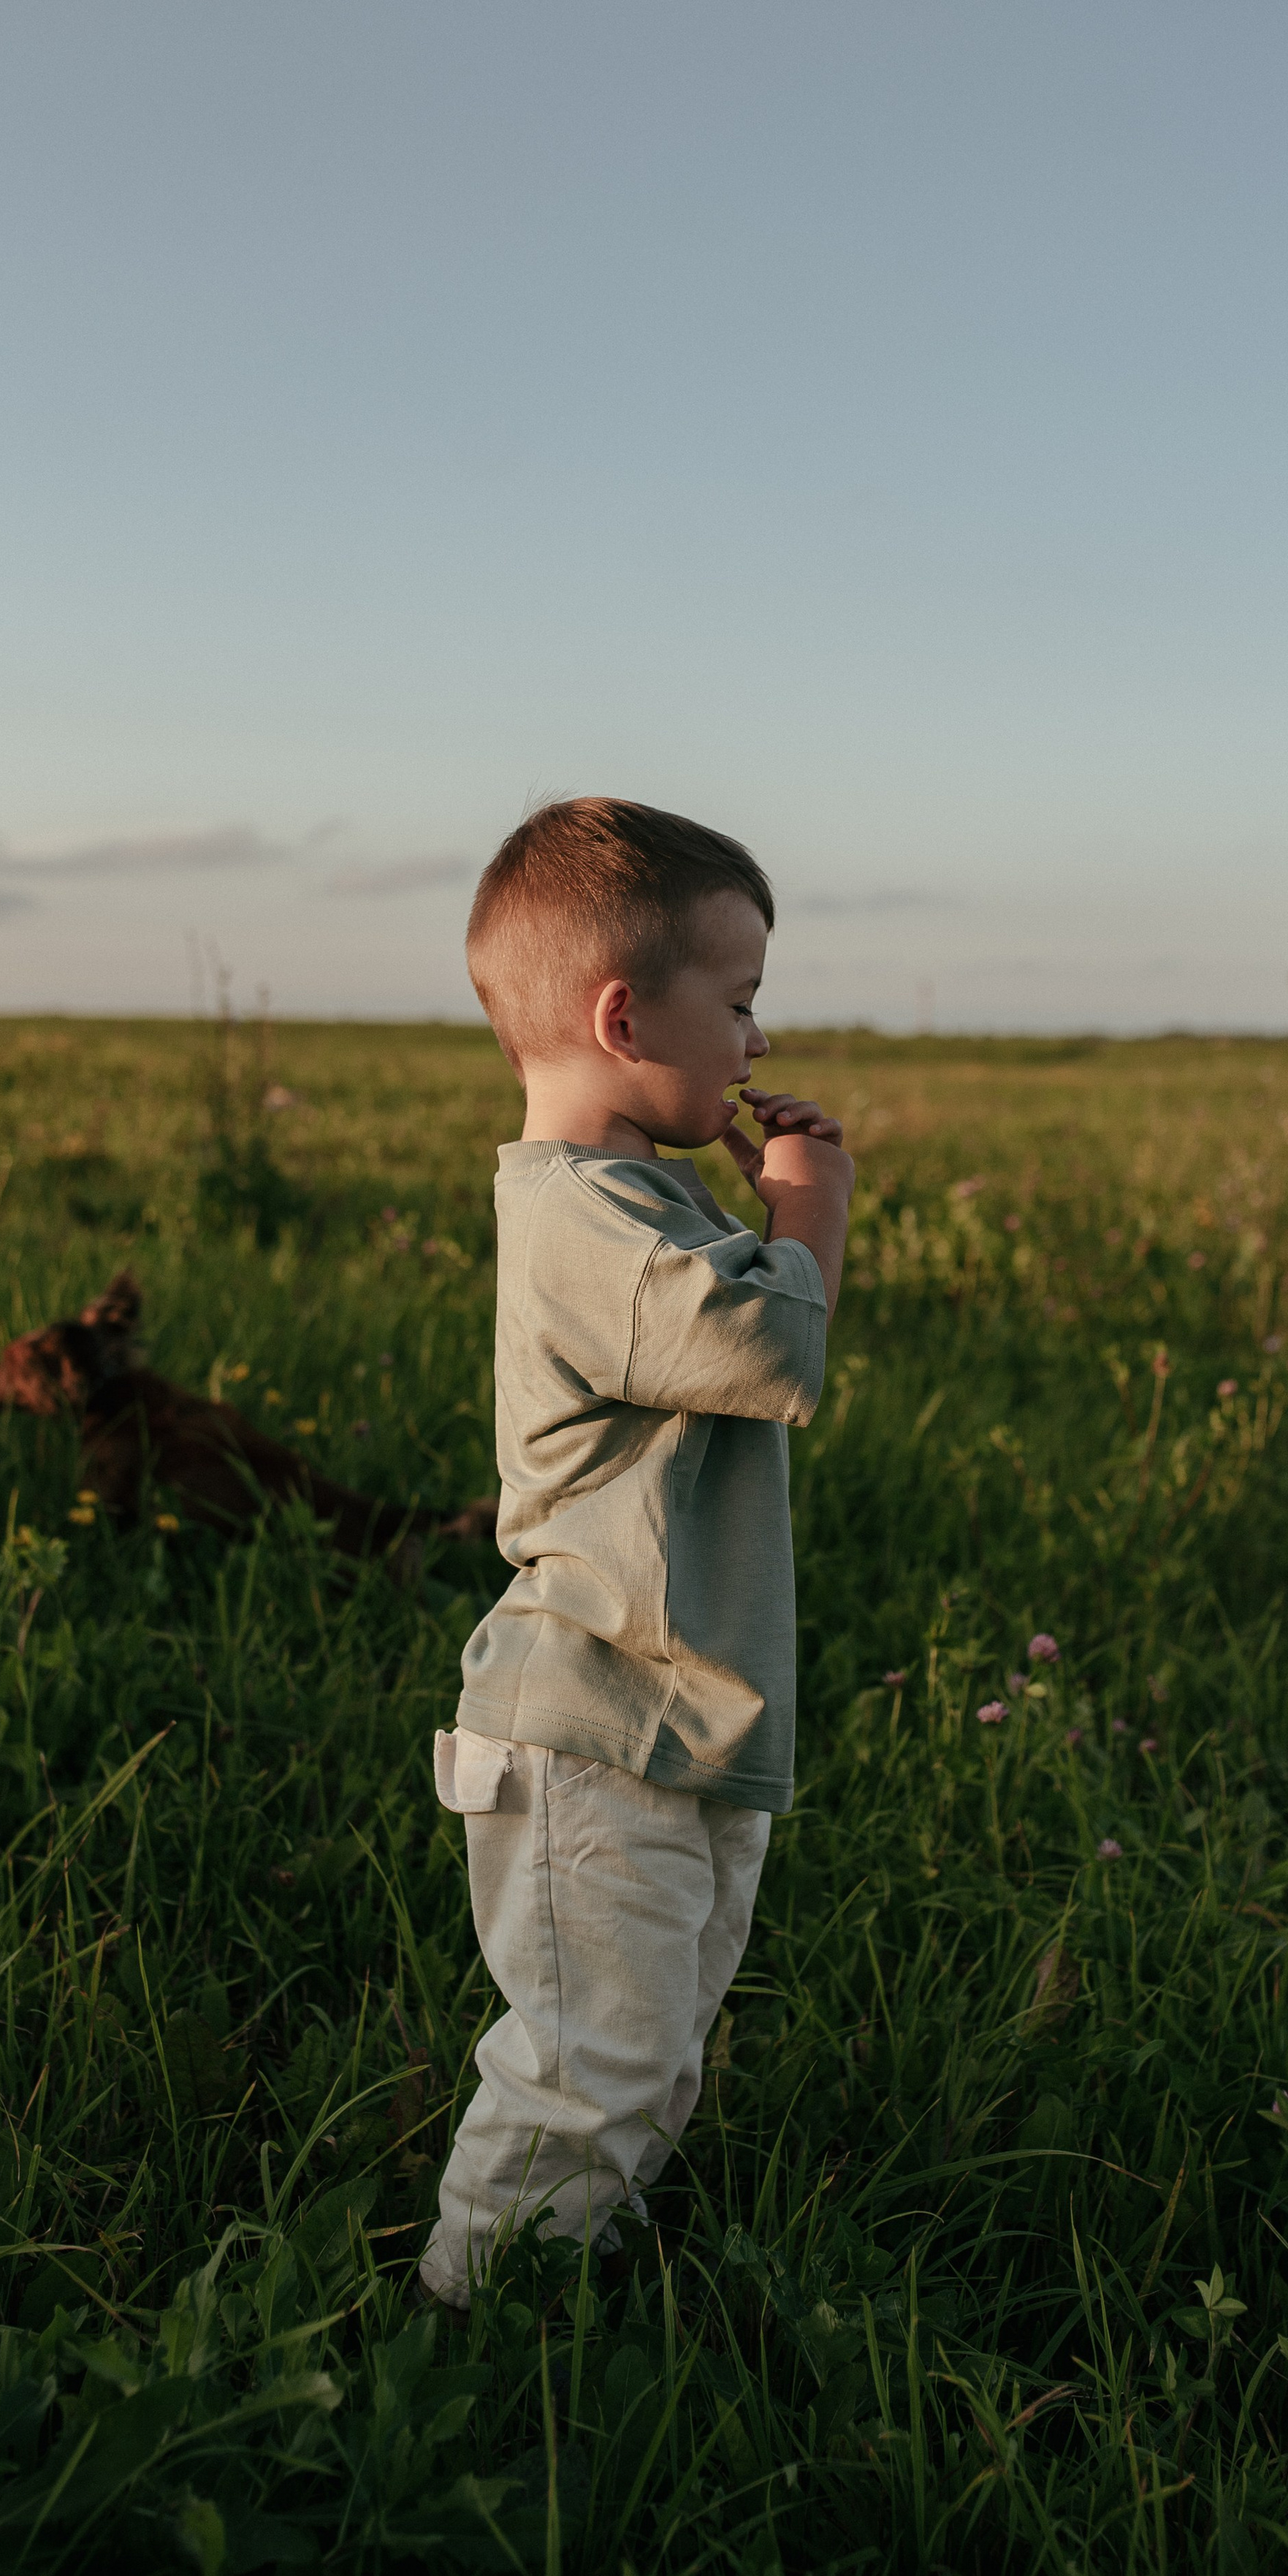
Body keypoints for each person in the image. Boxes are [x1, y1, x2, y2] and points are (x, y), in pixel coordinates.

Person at [418, 797, 854, 2309]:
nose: (751, 1041)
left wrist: (774, 1227)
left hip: (677, 1718)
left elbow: (751, 1341)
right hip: (597, 1729)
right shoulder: (578, 1216)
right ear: (622, 1013)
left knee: (652, 2047)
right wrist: (807, 1213)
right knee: (587, 2068)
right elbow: (768, 1346)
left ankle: (581, 2277)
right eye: (734, 1004)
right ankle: (470, 2331)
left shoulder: (639, 1201)